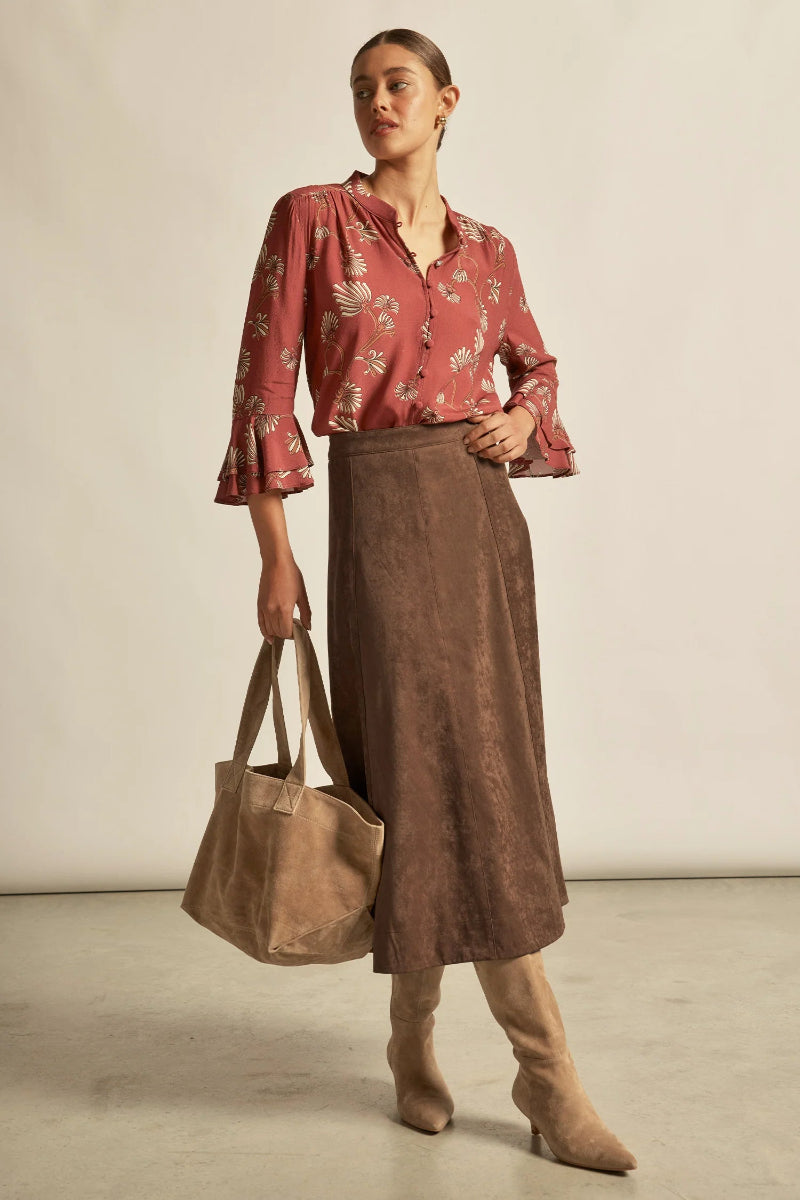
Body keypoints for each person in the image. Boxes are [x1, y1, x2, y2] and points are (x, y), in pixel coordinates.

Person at [214, 26, 637, 1176]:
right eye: (360, 89)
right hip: (380, 526)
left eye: (396, 84)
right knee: (419, 782)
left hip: (480, 528)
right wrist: (276, 556)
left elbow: (535, 369)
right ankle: (511, 1068)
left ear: (447, 101)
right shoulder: (310, 217)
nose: (375, 102)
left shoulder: (487, 250)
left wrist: (521, 421)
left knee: (488, 783)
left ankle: (472, 1057)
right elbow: (264, 390)